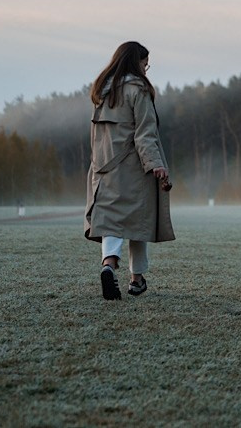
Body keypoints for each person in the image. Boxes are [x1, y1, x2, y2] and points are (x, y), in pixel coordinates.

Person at [84, 40, 174, 300]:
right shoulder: (139, 90)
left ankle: (109, 266)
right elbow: (145, 133)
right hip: (133, 167)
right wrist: (155, 164)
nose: (147, 70)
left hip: (103, 168)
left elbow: (96, 137)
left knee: (112, 220)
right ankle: (136, 279)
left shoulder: (101, 91)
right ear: (137, 63)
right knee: (138, 222)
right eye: (145, 65)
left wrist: (97, 166)